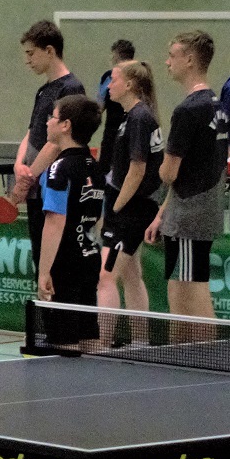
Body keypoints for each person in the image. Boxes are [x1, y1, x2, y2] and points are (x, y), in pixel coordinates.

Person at [153, 29, 230, 328]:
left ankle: (205, 350)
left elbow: (169, 172)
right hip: (197, 208)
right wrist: (162, 213)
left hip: (190, 214)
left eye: (172, 56)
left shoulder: (188, 110)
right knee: (178, 289)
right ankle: (184, 350)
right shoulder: (217, 106)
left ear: (189, 60)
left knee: (191, 289)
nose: (167, 62)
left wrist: (159, 169)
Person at [32, 94, 110, 353]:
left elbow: (55, 222)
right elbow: (97, 218)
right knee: (88, 337)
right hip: (89, 259)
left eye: (52, 117)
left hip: (64, 265)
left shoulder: (59, 169)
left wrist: (44, 271)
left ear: (65, 125)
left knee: (63, 347)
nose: (47, 122)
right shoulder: (94, 167)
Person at [97, 59, 161, 346]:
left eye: (113, 79)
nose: (109, 86)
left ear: (130, 84)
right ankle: (140, 341)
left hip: (130, 209)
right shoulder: (132, 116)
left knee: (106, 276)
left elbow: (138, 169)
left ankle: (101, 343)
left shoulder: (139, 118)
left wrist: (116, 207)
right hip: (129, 206)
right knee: (132, 275)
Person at [8, 21, 84, 214]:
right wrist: (19, 165)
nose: (27, 60)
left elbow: (57, 142)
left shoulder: (71, 88)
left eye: (31, 53)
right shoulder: (43, 90)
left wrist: (26, 180)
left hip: (55, 187)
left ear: (49, 51)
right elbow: (32, 131)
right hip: (35, 185)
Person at [96, 39, 137, 164]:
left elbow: (98, 108)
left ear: (115, 56)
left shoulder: (109, 77)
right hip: (115, 136)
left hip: (124, 135)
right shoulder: (139, 76)